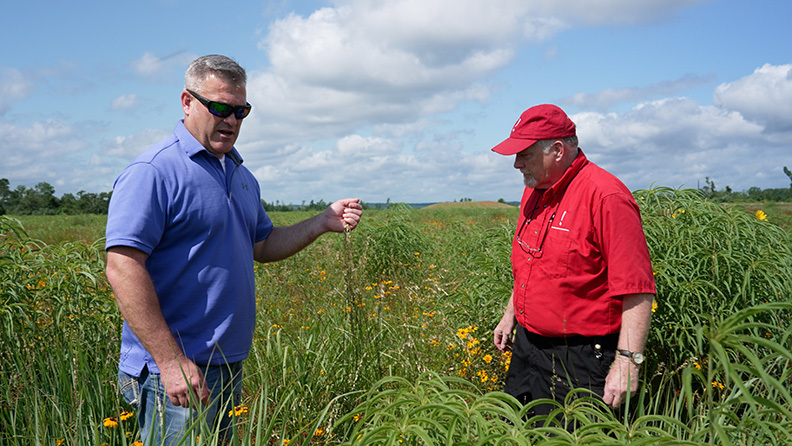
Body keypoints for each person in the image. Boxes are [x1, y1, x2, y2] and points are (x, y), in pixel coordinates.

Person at [105, 54, 363, 445]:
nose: (231, 120)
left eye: (241, 111)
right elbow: (122, 266)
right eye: (220, 107)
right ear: (187, 102)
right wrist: (172, 361)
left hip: (225, 364)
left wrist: (320, 223)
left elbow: (262, 244)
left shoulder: (241, 176)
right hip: (173, 373)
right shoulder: (154, 172)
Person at [490, 104, 655, 420]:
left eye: (524, 154)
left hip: (580, 358)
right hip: (528, 346)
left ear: (556, 150)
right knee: (519, 430)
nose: (516, 164)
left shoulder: (606, 197)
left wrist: (627, 362)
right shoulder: (534, 190)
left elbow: (638, 289)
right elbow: (531, 261)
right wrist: (511, 314)